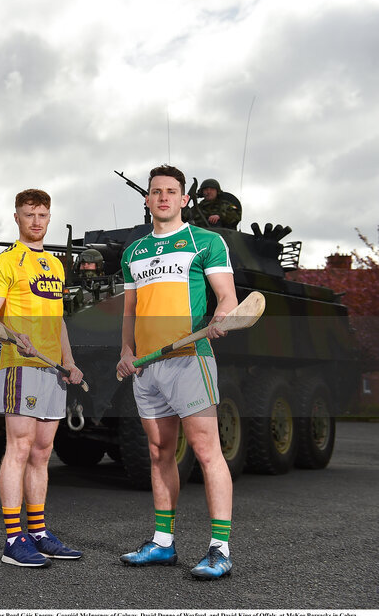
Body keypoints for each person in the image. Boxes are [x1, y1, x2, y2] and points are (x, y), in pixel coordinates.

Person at [116, 164, 238, 580]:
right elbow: (130, 312)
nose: (164, 197)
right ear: (147, 199)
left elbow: (226, 297)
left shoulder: (205, 241)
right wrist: (126, 352)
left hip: (191, 359)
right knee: (158, 452)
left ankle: (219, 550)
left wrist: (221, 317)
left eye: (172, 191)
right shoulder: (133, 251)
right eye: (156, 191)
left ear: (184, 199)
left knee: (207, 452)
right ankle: (163, 543)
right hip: (147, 368)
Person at [0, 189, 85, 567]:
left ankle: (38, 533)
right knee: (19, 449)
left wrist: (69, 362)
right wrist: (12, 336)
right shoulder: (5, 262)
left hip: (52, 371)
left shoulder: (55, 267)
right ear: (16, 217)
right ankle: (13, 540)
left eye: (43, 214)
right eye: (29, 214)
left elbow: (58, 321)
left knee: (42, 453)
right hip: (20, 366)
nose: (37, 221)